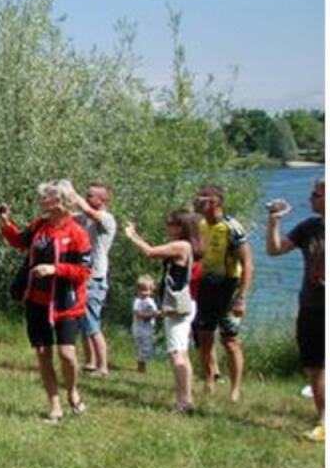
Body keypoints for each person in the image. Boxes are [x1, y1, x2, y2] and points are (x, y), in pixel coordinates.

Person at [0, 180, 93, 423]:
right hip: (36, 299)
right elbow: (20, 242)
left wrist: (55, 269)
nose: (42, 201)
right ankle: (54, 406)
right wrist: (5, 223)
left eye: (47, 197)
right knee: (42, 352)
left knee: (67, 354)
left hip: (66, 302)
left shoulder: (77, 233)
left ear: (61, 201)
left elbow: (84, 271)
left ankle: (72, 391)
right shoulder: (39, 225)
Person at [266, 177, 324, 439]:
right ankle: (324, 420)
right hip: (312, 306)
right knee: (315, 365)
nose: (310, 198)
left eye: (316, 194)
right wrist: (275, 220)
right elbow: (275, 250)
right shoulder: (308, 228)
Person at [125, 210, 201, 411]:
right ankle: (186, 397)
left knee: (176, 353)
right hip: (184, 305)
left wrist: (132, 236)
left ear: (180, 227)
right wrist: (136, 234)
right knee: (181, 352)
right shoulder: (185, 245)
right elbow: (153, 249)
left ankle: (183, 401)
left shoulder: (181, 245)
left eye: (170, 223)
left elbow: (149, 252)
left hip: (177, 308)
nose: (166, 227)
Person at [192, 184, 253, 402]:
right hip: (207, 286)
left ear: (216, 202)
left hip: (229, 286)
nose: (197, 202)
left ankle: (235, 389)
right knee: (204, 336)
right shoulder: (201, 225)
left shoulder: (232, 227)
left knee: (230, 340)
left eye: (202, 199)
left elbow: (247, 264)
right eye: (197, 198)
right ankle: (209, 382)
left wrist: (242, 298)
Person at [75, 183, 118, 377]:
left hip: (96, 278)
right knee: (84, 322)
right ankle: (91, 362)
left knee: (92, 324)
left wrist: (70, 192)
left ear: (102, 200)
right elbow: (66, 217)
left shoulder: (106, 219)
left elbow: (87, 211)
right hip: (84, 276)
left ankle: (103, 367)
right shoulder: (85, 218)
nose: (86, 197)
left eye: (90, 195)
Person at [130, 276, 160, 375]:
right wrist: (152, 314)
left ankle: (142, 363)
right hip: (139, 328)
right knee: (142, 346)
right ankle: (141, 365)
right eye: (141, 290)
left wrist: (158, 313)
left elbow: (155, 312)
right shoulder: (138, 301)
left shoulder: (151, 301)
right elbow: (138, 314)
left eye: (146, 290)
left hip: (149, 328)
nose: (144, 293)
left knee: (148, 346)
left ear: (151, 290)